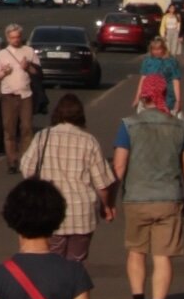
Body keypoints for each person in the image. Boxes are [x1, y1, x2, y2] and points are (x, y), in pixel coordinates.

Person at [110, 79, 184, 299]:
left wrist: (110, 198)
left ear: (143, 97)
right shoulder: (180, 127)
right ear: (164, 96)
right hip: (169, 197)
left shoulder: (128, 126)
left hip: (136, 197)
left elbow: (119, 166)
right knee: (163, 256)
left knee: (136, 252)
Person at [19, 92, 117, 262]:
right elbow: (102, 184)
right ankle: (73, 288)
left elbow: (27, 170)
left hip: (51, 212)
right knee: (75, 265)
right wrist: (106, 206)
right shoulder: (89, 141)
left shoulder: (42, 137)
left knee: (51, 263)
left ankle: (55, 288)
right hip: (82, 213)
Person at [0, 23, 38, 168]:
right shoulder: (2, 54)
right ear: (8, 38)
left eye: (17, 37)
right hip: (8, 97)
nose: (15, 40)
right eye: (12, 38)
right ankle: (12, 161)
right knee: (9, 129)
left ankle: (25, 159)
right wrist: (4, 72)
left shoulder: (29, 51)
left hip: (26, 96)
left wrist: (28, 67)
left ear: (21, 37)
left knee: (26, 128)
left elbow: (38, 73)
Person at [136, 26, 184, 115]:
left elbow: (175, 81)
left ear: (164, 49)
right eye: (154, 49)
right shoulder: (147, 61)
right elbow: (143, 79)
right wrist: (137, 97)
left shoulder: (171, 62)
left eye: (159, 49)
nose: (156, 52)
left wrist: (178, 100)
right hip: (149, 98)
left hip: (167, 97)